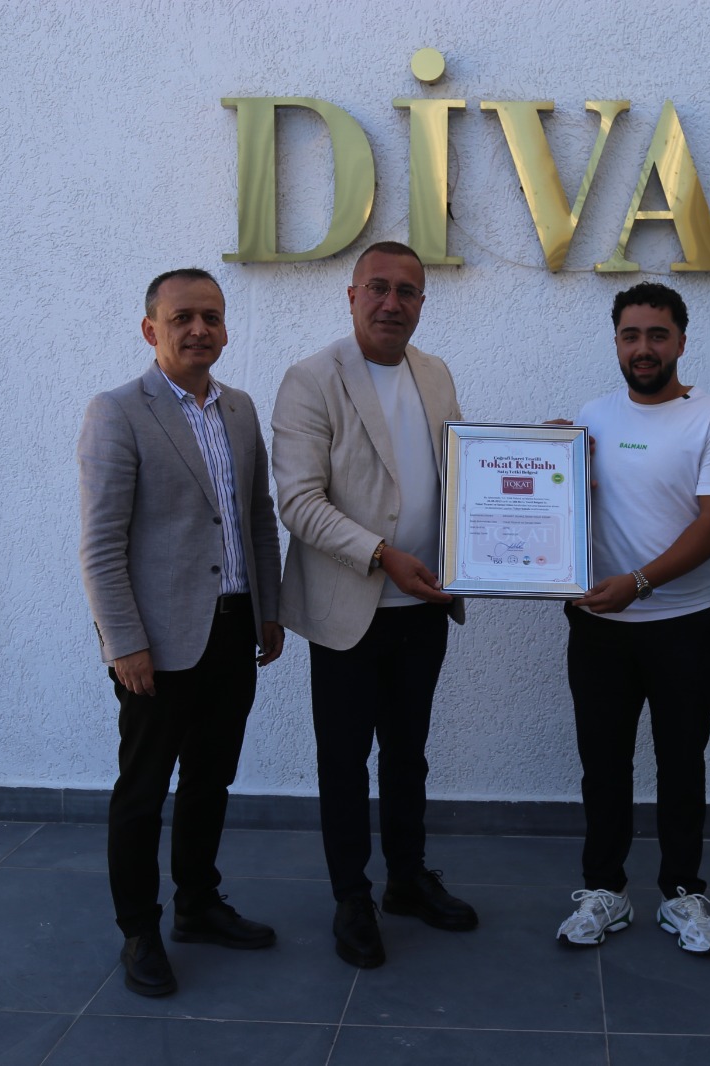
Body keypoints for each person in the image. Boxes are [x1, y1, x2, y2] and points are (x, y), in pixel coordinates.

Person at [77, 268, 284, 997]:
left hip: (232, 629)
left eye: (212, 317)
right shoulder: (117, 412)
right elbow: (101, 543)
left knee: (210, 778)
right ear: (151, 330)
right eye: (183, 318)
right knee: (142, 789)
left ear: (226, 327)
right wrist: (124, 642)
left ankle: (198, 902)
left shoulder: (241, 409)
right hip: (157, 645)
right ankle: (140, 930)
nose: (200, 329)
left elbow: (257, 517)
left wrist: (269, 608)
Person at [272, 241, 476, 969]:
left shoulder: (435, 373)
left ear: (422, 302)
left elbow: (464, 472)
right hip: (348, 611)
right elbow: (299, 502)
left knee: (408, 755)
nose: (393, 303)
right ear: (352, 295)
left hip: (423, 608)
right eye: (379, 288)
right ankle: (351, 896)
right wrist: (384, 555)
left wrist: (534, 460)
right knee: (344, 760)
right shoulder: (310, 379)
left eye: (407, 292)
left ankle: (407, 878)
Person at [555, 282, 710, 956]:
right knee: (602, 764)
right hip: (599, 625)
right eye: (631, 335)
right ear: (616, 342)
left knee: (681, 762)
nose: (644, 348)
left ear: (681, 342)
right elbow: (569, 501)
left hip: (685, 624)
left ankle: (682, 893)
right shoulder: (592, 416)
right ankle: (604, 890)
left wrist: (638, 584)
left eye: (657, 335)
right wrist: (546, 459)